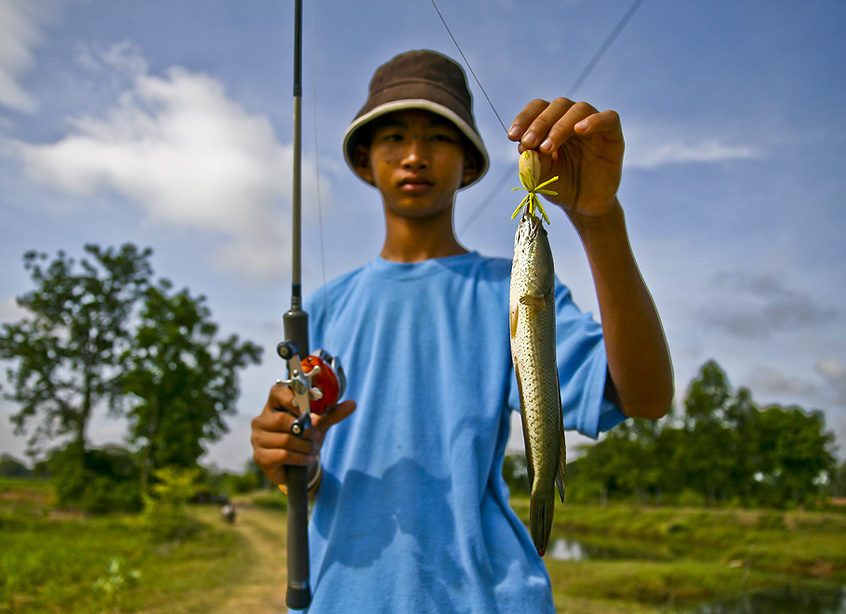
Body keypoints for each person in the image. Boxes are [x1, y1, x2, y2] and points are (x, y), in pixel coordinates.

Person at [251, 50, 672, 613]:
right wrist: (289, 461)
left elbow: (644, 398)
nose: (416, 156)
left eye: (440, 138)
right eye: (394, 136)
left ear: (470, 163)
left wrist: (599, 217)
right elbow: (312, 473)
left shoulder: (506, 289)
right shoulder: (325, 307)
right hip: (340, 596)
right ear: (363, 158)